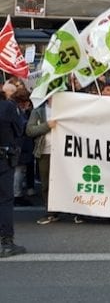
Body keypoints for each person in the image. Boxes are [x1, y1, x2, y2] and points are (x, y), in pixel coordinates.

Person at [0, 87, 25, 257]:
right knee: (5, 200)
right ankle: (6, 242)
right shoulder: (7, 107)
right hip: (2, 158)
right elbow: (19, 129)